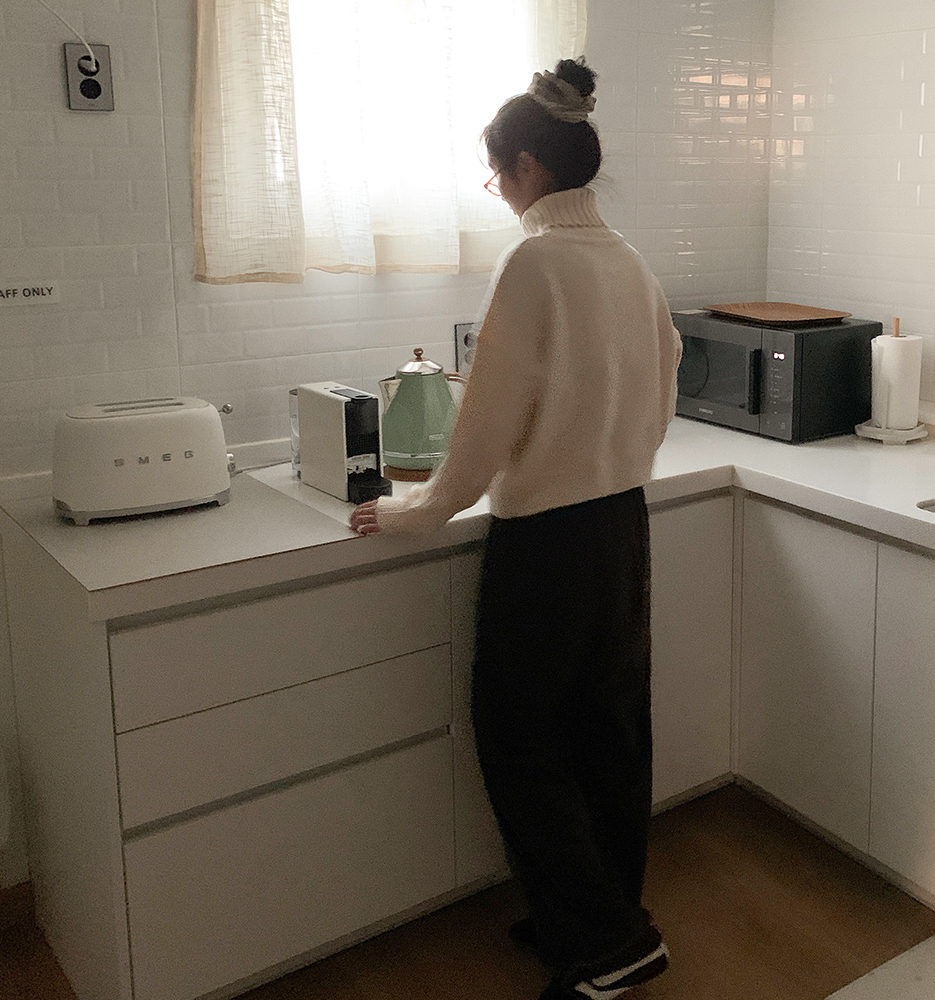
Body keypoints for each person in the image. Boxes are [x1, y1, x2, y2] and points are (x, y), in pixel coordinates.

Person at [350, 57, 683, 1000]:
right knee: (609, 731)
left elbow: (488, 423)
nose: (494, 189)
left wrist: (421, 511)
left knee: (519, 737)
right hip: (621, 527)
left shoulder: (534, 262)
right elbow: (665, 374)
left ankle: (607, 944)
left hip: (547, 544)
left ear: (528, 167)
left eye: (495, 173)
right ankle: (604, 911)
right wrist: (609, 452)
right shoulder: (626, 257)